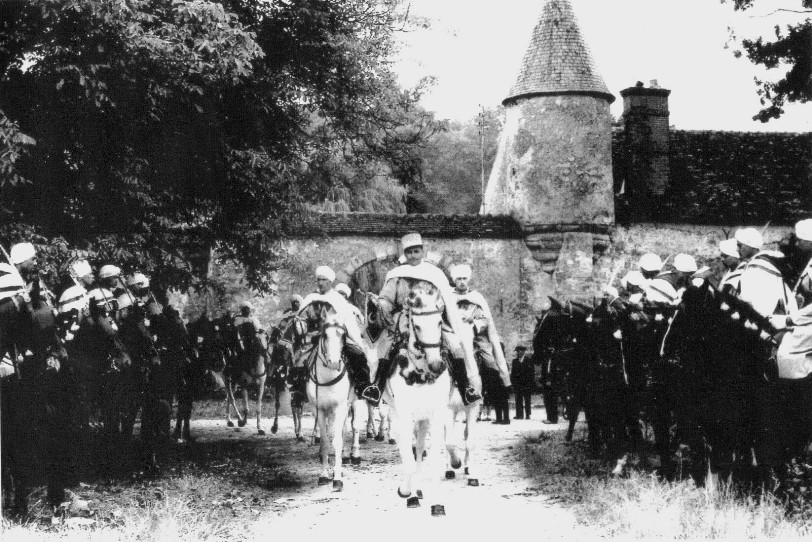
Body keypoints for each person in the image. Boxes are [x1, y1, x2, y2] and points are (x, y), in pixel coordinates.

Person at [367, 232, 482, 405]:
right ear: (404, 254)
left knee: (455, 345)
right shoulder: (396, 275)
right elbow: (388, 298)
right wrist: (381, 304)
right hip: (402, 320)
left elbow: (444, 300)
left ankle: (465, 387)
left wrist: (437, 308)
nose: (413, 255)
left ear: (422, 251)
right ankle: (378, 386)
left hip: (430, 319)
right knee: (386, 347)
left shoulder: (434, 274)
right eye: (409, 252)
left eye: (416, 251)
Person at [299, 267, 376, 400]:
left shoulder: (338, 300)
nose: (321, 283)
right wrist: (303, 329)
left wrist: (357, 342)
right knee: (299, 360)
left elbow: (349, 323)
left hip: (337, 337)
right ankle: (299, 392)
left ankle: (362, 387)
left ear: (330, 282)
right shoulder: (311, 298)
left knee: (358, 356)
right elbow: (301, 319)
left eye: (324, 280)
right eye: (319, 280)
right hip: (314, 338)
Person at [448, 263, 511, 389]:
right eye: (459, 279)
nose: (461, 282)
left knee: (490, 360)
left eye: (464, 279)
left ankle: (495, 388)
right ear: (454, 280)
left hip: (476, 336)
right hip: (455, 335)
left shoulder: (476, 296)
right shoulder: (448, 296)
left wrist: (474, 321)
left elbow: (485, 319)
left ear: (468, 279)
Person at [510, 345, 534, 420]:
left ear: (523, 352)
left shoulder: (528, 360)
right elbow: (513, 373)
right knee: (518, 399)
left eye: (520, 351)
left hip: (526, 383)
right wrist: (513, 383)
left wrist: (530, 383)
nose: (519, 353)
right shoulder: (514, 361)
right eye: (517, 351)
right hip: (518, 384)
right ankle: (519, 415)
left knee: (527, 399)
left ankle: (527, 414)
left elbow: (532, 373)